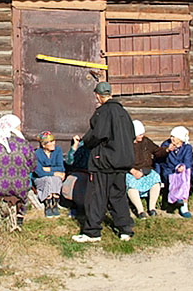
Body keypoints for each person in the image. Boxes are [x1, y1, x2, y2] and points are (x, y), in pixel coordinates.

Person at [72, 82, 136, 243]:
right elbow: (132, 135)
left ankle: (92, 232)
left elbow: (96, 135)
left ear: (98, 95)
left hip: (104, 162)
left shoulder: (103, 112)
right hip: (122, 162)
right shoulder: (123, 113)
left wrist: (85, 141)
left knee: (96, 196)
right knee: (118, 195)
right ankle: (125, 230)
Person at [0, 114, 36, 228]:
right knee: (24, 197)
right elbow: (33, 165)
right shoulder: (24, 144)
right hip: (19, 186)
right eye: (19, 126)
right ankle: (19, 219)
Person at [126, 120, 170, 219]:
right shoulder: (126, 144)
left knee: (155, 179)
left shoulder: (146, 141)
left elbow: (157, 151)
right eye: (139, 134)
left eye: (142, 134)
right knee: (130, 184)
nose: (142, 136)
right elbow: (121, 160)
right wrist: (132, 170)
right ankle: (140, 210)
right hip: (132, 171)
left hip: (146, 170)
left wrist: (167, 150)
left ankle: (152, 208)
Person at [155, 126, 193, 218]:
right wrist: (168, 150)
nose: (172, 138)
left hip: (182, 170)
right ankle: (173, 201)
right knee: (172, 177)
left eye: (174, 137)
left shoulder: (187, 147)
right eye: (171, 136)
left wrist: (182, 166)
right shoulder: (166, 144)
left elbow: (188, 161)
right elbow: (161, 158)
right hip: (169, 169)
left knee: (184, 178)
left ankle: (183, 204)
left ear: (180, 139)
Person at [33, 131, 65, 218]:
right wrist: (54, 172)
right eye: (49, 142)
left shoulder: (57, 150)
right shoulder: (36, 153)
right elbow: (39, 172)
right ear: (43, 145)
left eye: (53, 141)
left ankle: (55, 204)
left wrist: (48, 169)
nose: (53, 143)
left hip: (53, 177)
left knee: (56, 179)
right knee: (48, 179)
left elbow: (61, 168)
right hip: (40, 178)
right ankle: (48, 204)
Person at [63, 135, 90, 218]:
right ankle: (75, 206)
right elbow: (69, 162)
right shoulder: (81, 145)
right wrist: (74, 146)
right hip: (78, 171)